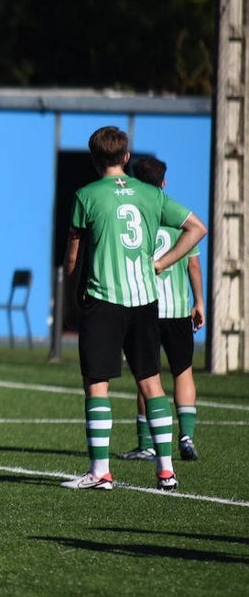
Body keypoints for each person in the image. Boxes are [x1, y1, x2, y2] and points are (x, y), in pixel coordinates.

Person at [61, 127, 206, 492]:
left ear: (95, 160)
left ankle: (100, 472)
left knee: (97, 384)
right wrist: (161, 263)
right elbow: (196, 228)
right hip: (145, 302)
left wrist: (71, 291)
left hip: (104, 299)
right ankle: (166, 472)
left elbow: (73, 258)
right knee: (152, 383)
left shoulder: (86, 195)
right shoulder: (150, 194)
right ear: (126, 157)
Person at [116, 156, 205, 462]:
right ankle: (187, 437)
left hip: (146, 307)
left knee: (147, 375)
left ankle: (147, 443)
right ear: (164, 182)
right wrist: (200, 301)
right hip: (179, 309)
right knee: (183, 372)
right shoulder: (178, 214)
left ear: (136, 181)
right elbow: (193, 264)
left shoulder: (137, 214)